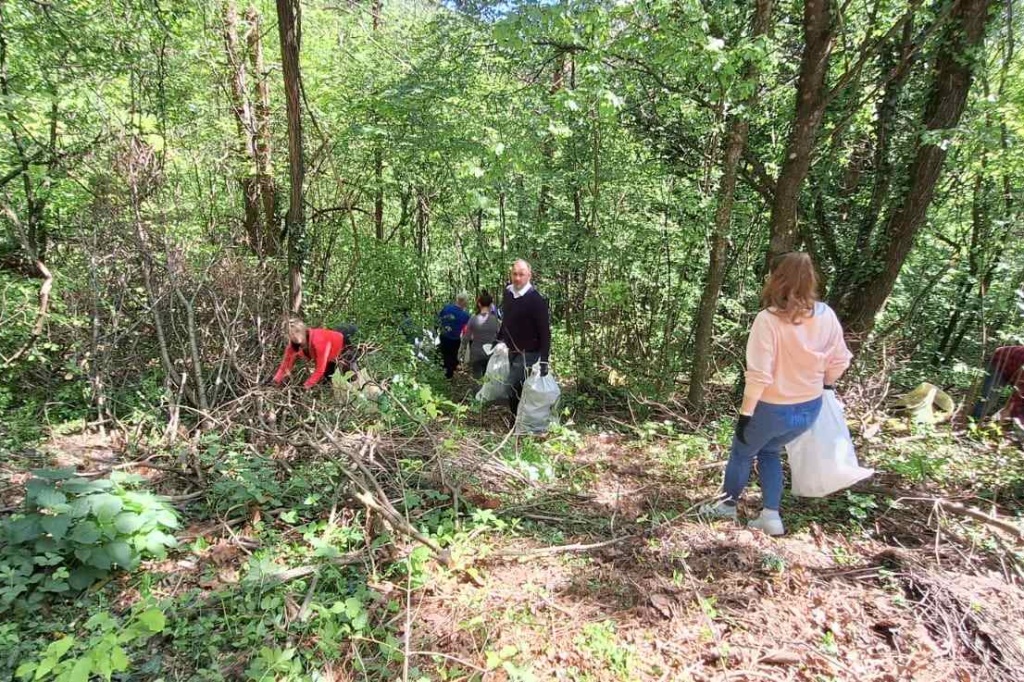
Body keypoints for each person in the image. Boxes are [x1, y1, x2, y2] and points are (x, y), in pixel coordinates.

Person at [700, 252, 852, 536]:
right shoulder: (826, 315)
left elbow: (759, 374)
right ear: (810, 280)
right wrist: (827, 385)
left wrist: (745, 415)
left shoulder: (767, 320)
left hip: (771, 407)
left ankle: (727, 505)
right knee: (770, 450)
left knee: (742, 452)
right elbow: (840, 361)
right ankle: (771, 516)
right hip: (808, 408)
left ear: (777, 279)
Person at [495, 259, 551, 417]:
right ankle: (519, 418)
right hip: (512, 349)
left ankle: (516, 421)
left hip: (530, 352)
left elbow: (545, 331)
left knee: (512, 385)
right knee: (519, 387)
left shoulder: (536, 300)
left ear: (529, 276)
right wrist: (499, 338)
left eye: (521, 274)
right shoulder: (508, 292)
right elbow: (507, 318)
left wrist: (545, 359)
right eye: (515, 274)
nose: (517, 278)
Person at [271, 317, 347, 388]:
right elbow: (284, 367)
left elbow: (320, 369)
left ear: (303, 330)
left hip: (344, 346)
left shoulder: (318, 341)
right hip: (330, 359)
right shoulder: (292, 347)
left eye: (297, 331)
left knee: (350, 377)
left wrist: (306, 386)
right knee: (326, 383)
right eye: (291, 334)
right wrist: (274, 382)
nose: (294, 336)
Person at [972, 345, 1024, 426]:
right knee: (989, 398)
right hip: (1000, 361)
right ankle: (974, 422)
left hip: (1014, 366)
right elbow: (1017, 397)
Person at [463, 291, 501, 379]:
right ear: (491, 305)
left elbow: (466, 337)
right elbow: (499, 336)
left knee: (477, 378)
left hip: (476, 353)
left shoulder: (473, 319)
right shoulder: (495, 320)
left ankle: (477, 391)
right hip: (490, 353)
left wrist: (462, 350)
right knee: (488, 378)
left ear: (479, 304)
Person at [437, 293, 471, 379]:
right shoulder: (465, 315)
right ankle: (449, 376)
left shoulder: (446, 308)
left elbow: (439, 319)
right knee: (451, 356)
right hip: (454, 339)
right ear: (464, 302)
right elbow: (465, 330)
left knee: (445, 355)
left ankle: (443, 374)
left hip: (444, 336)